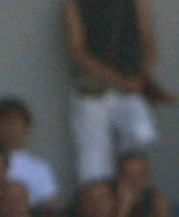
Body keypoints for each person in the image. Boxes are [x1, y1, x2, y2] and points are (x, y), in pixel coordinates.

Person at [64, 0, 171, 185]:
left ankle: (135, 202)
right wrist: (119, 81)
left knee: (139, 143)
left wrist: (143, 77)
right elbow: (77, 52)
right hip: (93, 91)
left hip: (131, 90)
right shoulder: (75, 4)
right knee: (94, 161)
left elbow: (149, 40)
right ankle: (98, 205)